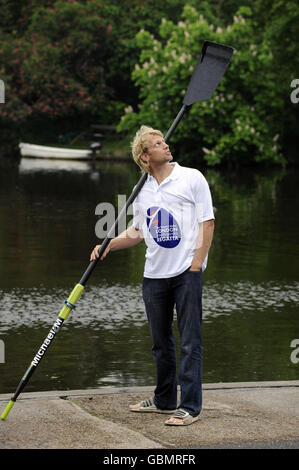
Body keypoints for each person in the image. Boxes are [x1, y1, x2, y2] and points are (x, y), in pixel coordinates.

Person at [90, 125, 215, 426]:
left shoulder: (191, 177)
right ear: (145, 157)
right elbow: (138, 232)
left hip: (186, 271)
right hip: (154, 275)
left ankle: (190, 407)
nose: (166, 145)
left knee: (189, 342)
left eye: (164, 141)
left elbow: (207, 222)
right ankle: (163, 399)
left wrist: (196, 264)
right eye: (158, 144)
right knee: (160, 343)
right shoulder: (142, 189)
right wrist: (108, 244)